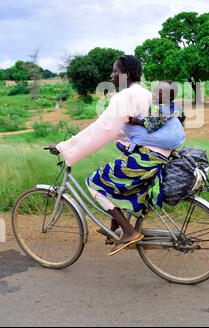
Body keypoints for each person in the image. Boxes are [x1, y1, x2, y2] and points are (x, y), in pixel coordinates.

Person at [53, 55, 178, 256]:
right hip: (158, 155)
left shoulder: (124, 97)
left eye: (115, 71)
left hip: (146, 157)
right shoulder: (146, 94)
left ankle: (128, 231)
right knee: (114, 176)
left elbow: (102, 129)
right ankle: (117, 228)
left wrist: (65, 146)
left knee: (94, 182)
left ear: (125, 75)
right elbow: (126, 129)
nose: (111, 76)